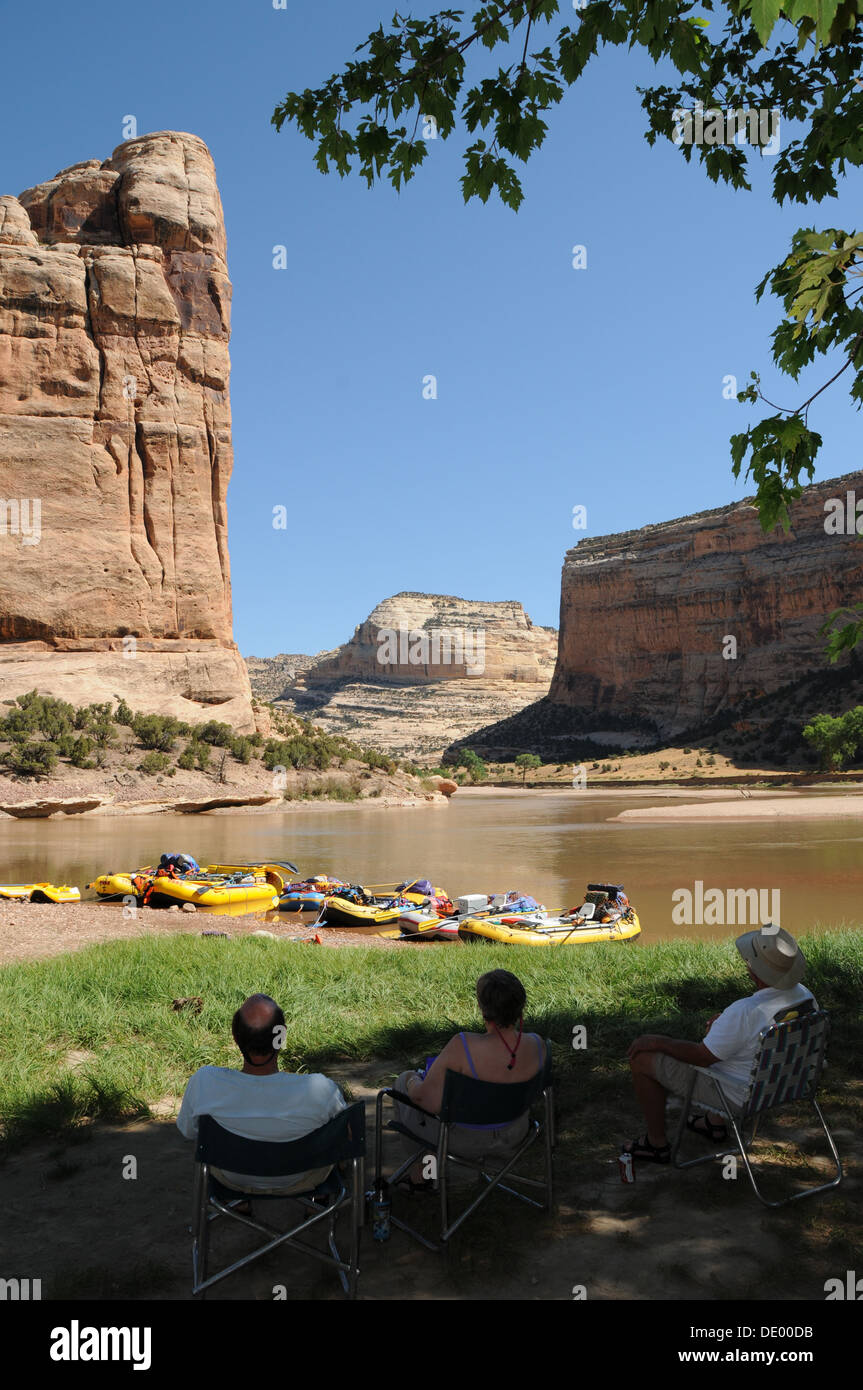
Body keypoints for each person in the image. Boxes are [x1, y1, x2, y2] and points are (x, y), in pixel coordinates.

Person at [623, 926, 814, 1163]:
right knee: (730, 1050)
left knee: (641, 1059)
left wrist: (657, 1041)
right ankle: (713, 1124)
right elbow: (750, 1036)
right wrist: (724, 1025)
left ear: (753, 970)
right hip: (786, 1085)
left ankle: (655, 1144)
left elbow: (700, 1057)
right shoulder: (805, 995)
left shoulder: (745, 1012)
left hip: (742, 1096)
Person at [177, 993, 346, 1193]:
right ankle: (315, 1203)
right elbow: (345, 1139)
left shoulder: (204, 1081)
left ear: (235, 1036)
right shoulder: (321, 1089)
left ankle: (238, 1202)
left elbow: (188, 1131)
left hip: (231, 1177)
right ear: (281, 1037)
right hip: (303, 1177)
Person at [392, 969, 546, 1183]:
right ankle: (442, 1173)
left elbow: (425, 1102)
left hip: (466, 1140)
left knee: (403, 1083)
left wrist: (411, 1080)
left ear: (483, 1007)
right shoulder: (537, 1044)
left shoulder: (463, 1046)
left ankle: (423, 1175)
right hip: (515, 1132)